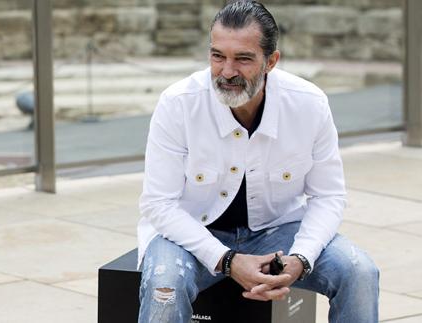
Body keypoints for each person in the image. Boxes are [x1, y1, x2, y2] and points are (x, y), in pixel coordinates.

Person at [137, 1, 379, 322]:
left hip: (278, 231)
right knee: (163, 286)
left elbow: (328, 196)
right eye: (217, 55)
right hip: (192, 234)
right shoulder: (178, 104)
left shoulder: (309, 104)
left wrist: (302, 258)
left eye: (243, 58)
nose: (227, 71)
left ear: (271, 61)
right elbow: (159, 205)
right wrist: (227, 259)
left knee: (360, 271)